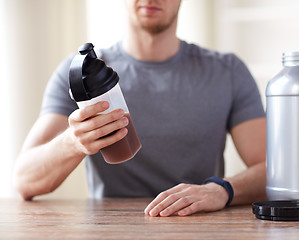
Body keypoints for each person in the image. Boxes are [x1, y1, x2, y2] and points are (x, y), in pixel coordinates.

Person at [14, 0, 267, 217]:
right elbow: (26, 181)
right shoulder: (79, 75)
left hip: (196, 223)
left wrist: (221, 189)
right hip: (110, 228)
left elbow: (275, 170)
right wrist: (73, 142)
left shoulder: (228, 72)